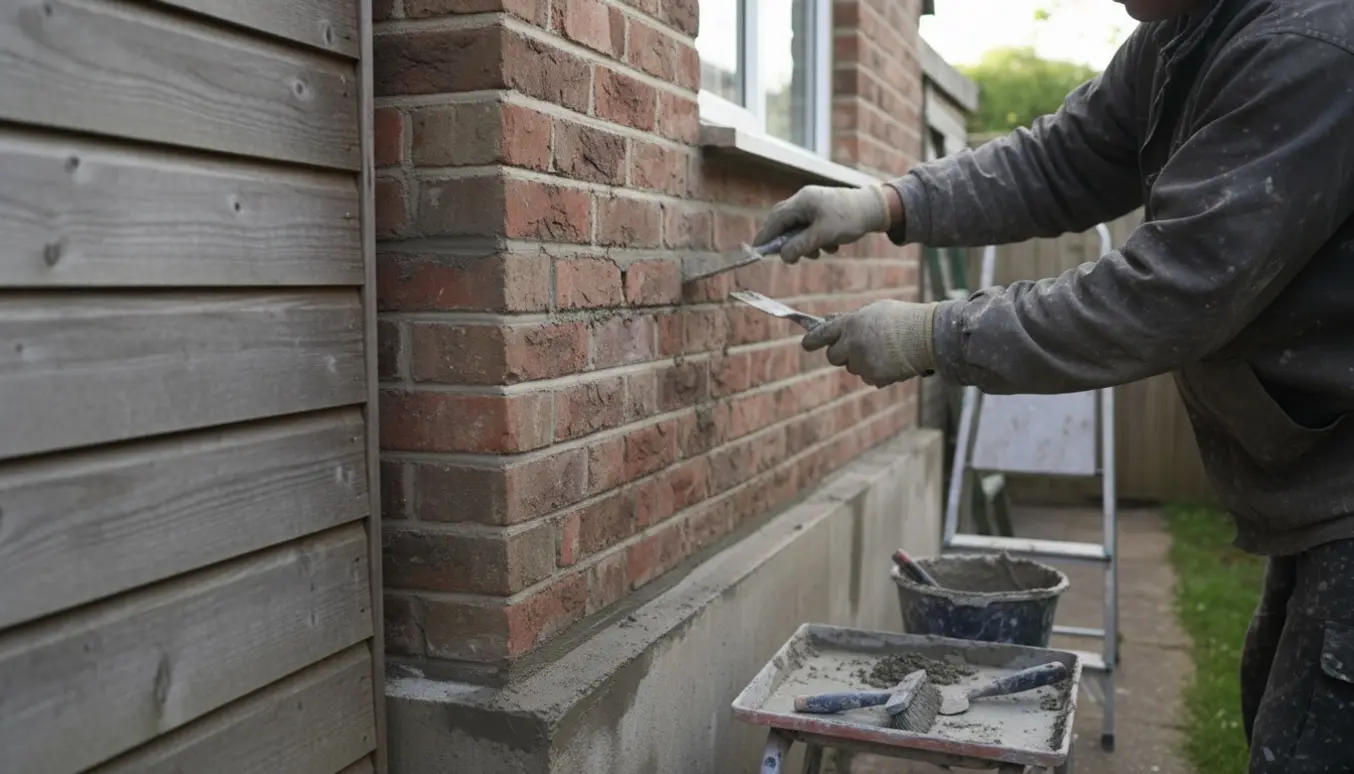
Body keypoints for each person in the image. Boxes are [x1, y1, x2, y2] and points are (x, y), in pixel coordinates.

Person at [752, 0, 1354, 770]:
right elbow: (1060, 160)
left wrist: (932, 334)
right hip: (1319, 490)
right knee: (1274, 704)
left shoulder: (1310, 47)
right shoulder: (1181, 33)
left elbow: (1165, 295)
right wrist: (887, 202)